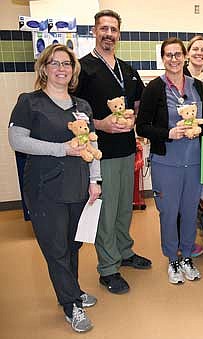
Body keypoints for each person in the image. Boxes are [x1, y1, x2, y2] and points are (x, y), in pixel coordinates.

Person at [8, 44, 100, 333]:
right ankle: (71, 304)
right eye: (55, 63)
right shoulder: (29, 102)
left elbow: (92, 143)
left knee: (73, 244)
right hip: (44, 189)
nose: (62, 68)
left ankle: (71, 289)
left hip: (78, 186)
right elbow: (17, 140)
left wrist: (95, 180)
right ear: (44, 69)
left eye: (67, 64)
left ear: (73, 70)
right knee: (56, 249)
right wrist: (61, 149)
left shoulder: (82, 106)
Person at [75, 9, 151, 295]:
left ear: (119, 33)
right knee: (106, 212)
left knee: (123, 209)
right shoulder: (84, 69)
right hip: (100, 153)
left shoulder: (127, 70)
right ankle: (108, 268)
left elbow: (139, 102)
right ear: (94, 30)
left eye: (113, 29)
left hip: (126, 150)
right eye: (103, 28)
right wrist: (100, 123)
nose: (109, 34)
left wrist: (135, 120)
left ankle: (124, 251)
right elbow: (74, 113)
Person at [136, 38, 203, 284]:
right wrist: (168, 133)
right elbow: (142, 126)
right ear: (163, 59)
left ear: (184, 57)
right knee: (169, 213)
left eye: (177, 54)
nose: (173, 59)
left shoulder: (198, 87)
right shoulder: (154, 89)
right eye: (168, 55)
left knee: (190, 212)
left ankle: (187, 256)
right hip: (166, 162)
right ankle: (172, 259)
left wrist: (197, 130)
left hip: (194, 162)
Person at [179, 34, 203, 258]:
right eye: (195, 49)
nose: (199, 53)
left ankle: (197, 232)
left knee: (198, 191)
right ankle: (182, 241)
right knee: (182, 195)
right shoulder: (181, 77)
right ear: (188, 53)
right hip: (183, 142)